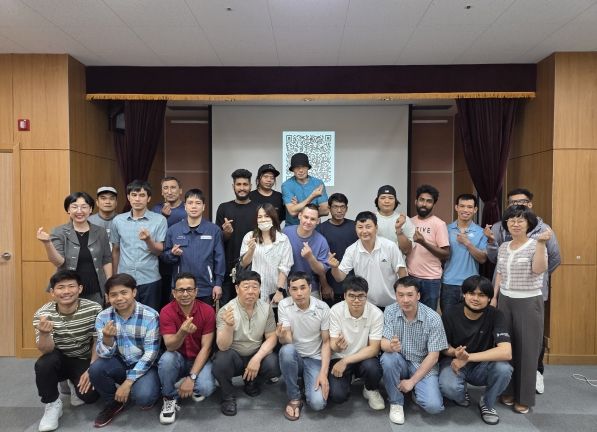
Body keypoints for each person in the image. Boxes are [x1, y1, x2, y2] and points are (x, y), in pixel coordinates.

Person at [484, 187, 561, 394]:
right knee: (507, 338)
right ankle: (508, 385)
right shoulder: (500, 227)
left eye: (523, 202)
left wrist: (534, 276)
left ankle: (535, 374)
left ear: (530, 205)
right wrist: (491, 242)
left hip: (530, 294)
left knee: (531, 339)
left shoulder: (544, 229)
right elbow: (495, 260)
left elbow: (554, 258)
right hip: (506, 293)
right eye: (513, 203)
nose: (518, 206)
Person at [491, 205, 550, 414]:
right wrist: (494, 297)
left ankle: (524, 397)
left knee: (527, 351)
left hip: (528, 302)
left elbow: (539, 269)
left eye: (520, 220)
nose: (515, 224)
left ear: (529, 224)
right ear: (506, 223)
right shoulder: (503, 246)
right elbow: (499, 273)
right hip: (505, 300)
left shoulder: (536, 244)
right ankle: (507, 390)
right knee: (506, 347)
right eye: (511, 220)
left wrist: (542, 244)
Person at [33, 270, 102, 432]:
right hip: (58, 357)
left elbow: (97, 341)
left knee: (90, 397)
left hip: (83, 358)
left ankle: (73, 383)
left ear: (80, 289)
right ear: (52, 292)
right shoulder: (43, 314)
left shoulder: (94, 308)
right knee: (44, 364)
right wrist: (44, 333)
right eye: (60, 287)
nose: (66, 291)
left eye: (71, 286)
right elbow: (46, 350)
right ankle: (52, 404)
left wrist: (92, 368)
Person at [89, 273, 161, 428]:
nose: (119, 298)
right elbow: (103, 354)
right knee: (96, 369)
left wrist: (128, 383)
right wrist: (107, 338)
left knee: (144, 398)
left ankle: (139, 386)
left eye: (124, 293)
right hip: (119, 362)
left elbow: (150, 354)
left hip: (144, 365)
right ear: (108, 297)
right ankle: (113, 403)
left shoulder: (150, 315)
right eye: (113, 295)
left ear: (134, 292)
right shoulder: (103, 317)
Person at [439, 275, 513, 425]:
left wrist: (467, 357)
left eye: (482, 295)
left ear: (489, 298)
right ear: (464, 294)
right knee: (449, 387)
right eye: (471, 293)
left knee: (504, 369)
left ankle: (487, 403)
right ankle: (461, 393)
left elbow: (506, 352)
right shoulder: (450, 313)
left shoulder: (496, 315)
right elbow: (442, 347)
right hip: (454, 363)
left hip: (481, 365)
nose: (475, 298)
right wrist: (455, 353)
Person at [380, 276, 448, 425]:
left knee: (433, 407)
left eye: (410, 295)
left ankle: (415, 388)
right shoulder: (390, 311)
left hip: (422, 363)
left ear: (418, 295)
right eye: (400, 295)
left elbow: (434, 356)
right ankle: (396, 402)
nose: (405, 300)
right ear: (396, 295)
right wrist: (390, 346)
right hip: (401, 361)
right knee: (388, 358)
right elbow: (383, 342)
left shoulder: (433, 318)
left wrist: (412, 381)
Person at [212, 270, 280, 416]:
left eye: (255, 287)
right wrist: (228, 326)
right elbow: (222, 346)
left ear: (260, 289)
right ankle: (227, 396)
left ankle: (251, 382)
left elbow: (272, 337)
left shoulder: (266, 308)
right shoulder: (226, 310)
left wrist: (257, 358)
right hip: (234, 357)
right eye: (246, 286)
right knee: (221, 361)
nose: (250, 291)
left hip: (255, 353)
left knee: (273, 363)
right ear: (237, 289)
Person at [157, 272, 217, 424]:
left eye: (189, 289)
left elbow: (206, 348)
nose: (185, 294)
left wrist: (192, 378)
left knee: (205, 388)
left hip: (199, 359)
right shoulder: (166, 311)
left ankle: (193, 384)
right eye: (181, 290)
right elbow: (170, 346)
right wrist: (182, 332)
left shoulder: (208, 311)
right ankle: (169, 397)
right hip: (178, 358)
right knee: (166, 359)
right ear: (174, 293)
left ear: (196, 291)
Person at [36, 191, 112, 305]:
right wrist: (47, 243)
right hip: (67, 290)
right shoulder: (59, 231)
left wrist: (109, 286)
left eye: (84, 207)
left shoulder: (100, 232)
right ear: (68, 210)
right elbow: (58, 262)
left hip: (96, 289)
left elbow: (106, 260)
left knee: (95, 316)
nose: (79, 211)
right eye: (74, 207)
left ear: (90, 209)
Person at [277, 271, 331, 420]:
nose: (299, 293)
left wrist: (323, 373)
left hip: (315, 358)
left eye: (303, 287)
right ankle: (294, 397)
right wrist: (281, 337)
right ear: (289, 290)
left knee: (318, 404)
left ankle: (306, 382)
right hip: (295, 356)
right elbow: (287, 339)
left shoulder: (323, 308)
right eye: (294, 289)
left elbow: (326, 342)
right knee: (286, 350)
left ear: (310, 288)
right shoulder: (284, 305)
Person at [328, 211, 407, 309]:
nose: (364, 231)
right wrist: (334, 268)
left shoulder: (390, 246)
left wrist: (402, 296)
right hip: (366, 305)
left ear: (376, 228)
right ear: (355, 229)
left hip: (392, 303)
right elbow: (339, 278)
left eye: (368, 227)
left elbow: (402, 272)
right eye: (360, 227)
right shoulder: (352, 250)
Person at [328, 275, 385, 410]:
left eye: (361, 296)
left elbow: (374, 349)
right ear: (344, 296)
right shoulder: (335, 310)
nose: (356, 300)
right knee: (337, 396)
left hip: (363, 358)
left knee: (373, 367)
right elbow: (332, 344)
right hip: (339, 357)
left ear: (366, 296)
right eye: (352, 296)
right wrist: (337, 347)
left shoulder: (376, 313)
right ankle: (349, 378)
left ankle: (370, 389)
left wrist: (346, 361)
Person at [110, 180, 167, 311]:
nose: (137, 199)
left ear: (149, 198)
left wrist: (148, 240)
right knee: (124, 315)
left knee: (150, 316)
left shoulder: (159, 220)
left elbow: (159, 251)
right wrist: (114, 277)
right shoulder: (118, 220)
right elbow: (116, 250)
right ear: (128, 197)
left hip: (150, 279)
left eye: (142, 195)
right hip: (124, 280)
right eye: (134, 195)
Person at [162, 189, 225, 306]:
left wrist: (218, 284)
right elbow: (165, 257)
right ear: (185, 206)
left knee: (206, 317)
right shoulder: (173, 230)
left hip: (206, 288)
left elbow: (219, 259)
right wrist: (172, 254)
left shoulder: (214, 230)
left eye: (198, 203)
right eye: (190, 203)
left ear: (204, 207)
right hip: (181, 288)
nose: (194, 206)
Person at [216, 169, 259, 304]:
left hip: (253, 267)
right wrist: (227, 233)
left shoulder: (258, 209)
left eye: (245, 184)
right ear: (233, 186)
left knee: (251, 307)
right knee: (228, 309)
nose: (242, 188)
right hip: (228, 268)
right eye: (238, 184)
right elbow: (218, 241)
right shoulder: (224, 208)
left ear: (250, 186)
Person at [406, 184, 450, 311]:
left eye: (429, 201)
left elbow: (445, 254)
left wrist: (423, 242)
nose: (424, 204)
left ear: (433, 204)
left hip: (431, 280)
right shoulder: (410, 222)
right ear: (416, 201)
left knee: (428, 315)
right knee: (410, 313)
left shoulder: (439, 224)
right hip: (411, 276)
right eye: (421, 200)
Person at [239, 203, 293, 305]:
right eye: (260, 217)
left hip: (275, 291)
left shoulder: (283, 239)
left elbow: (285, 268)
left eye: (267, 216)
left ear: (273, 218)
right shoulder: (249, 236)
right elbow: (243, 264)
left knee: (274, 314)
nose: (263, 220)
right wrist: (251, 250)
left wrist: (279, 291)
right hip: (254, 290)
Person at [441, 194, 487, 313]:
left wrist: (467, 243)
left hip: (472, 284)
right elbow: (440, 256)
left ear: (475, 209)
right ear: (456, 207)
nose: (465, 210)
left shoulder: (481, 232)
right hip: (449, 283)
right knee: (448, 320)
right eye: (462, 206)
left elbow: (482, 259)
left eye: (469, 207)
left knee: (471, 319)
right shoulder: (446, 229)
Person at [152, 176, 187, 309]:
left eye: (173, 187)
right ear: (162, 192)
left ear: (180, 191)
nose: (169, 191)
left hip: (182, 259)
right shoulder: (156, 209)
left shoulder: (187, 208)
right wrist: (163, 217)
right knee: (163, 301)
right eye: (165, 188)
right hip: (160, 260)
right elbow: (151, 233)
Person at [317, 193, 358, 305]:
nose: (339, 210)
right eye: (335, 207)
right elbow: (318, 261)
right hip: (331, 286)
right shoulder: (320, 229)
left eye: (342, 207)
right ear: (329, 208)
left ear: (346, 208)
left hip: (354, 285)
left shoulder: (355, 227)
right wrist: (325, 285)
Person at [283, 204, 331, 299]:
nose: (308, 222)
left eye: (312, 219)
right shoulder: (285, 233)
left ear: (318, 221)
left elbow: (321, 271)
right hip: (286, 287)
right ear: (299, 216)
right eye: (306, 217)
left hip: (311, 289)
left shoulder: (321, 241)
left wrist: (310, 257)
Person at [282, 152, 329, 225]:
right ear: (293, 169)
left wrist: (299, 207)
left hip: (313, 227)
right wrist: (312, 196)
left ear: (308, 168)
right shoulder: (287, 185)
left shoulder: (318, 183)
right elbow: (292, 212)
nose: (301, 170)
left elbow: (325, 210)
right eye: (297, 167)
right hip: (293, 227)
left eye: (303, 167)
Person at [374, 185, 415, 256]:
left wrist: (399, 230)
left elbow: (407, 250)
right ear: (377, 200)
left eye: (391, 198)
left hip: (397, 262)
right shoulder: (371, 219)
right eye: (383, 198)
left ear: (395, 201)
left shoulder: (404, 220)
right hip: (375, 262)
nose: (387, 201)